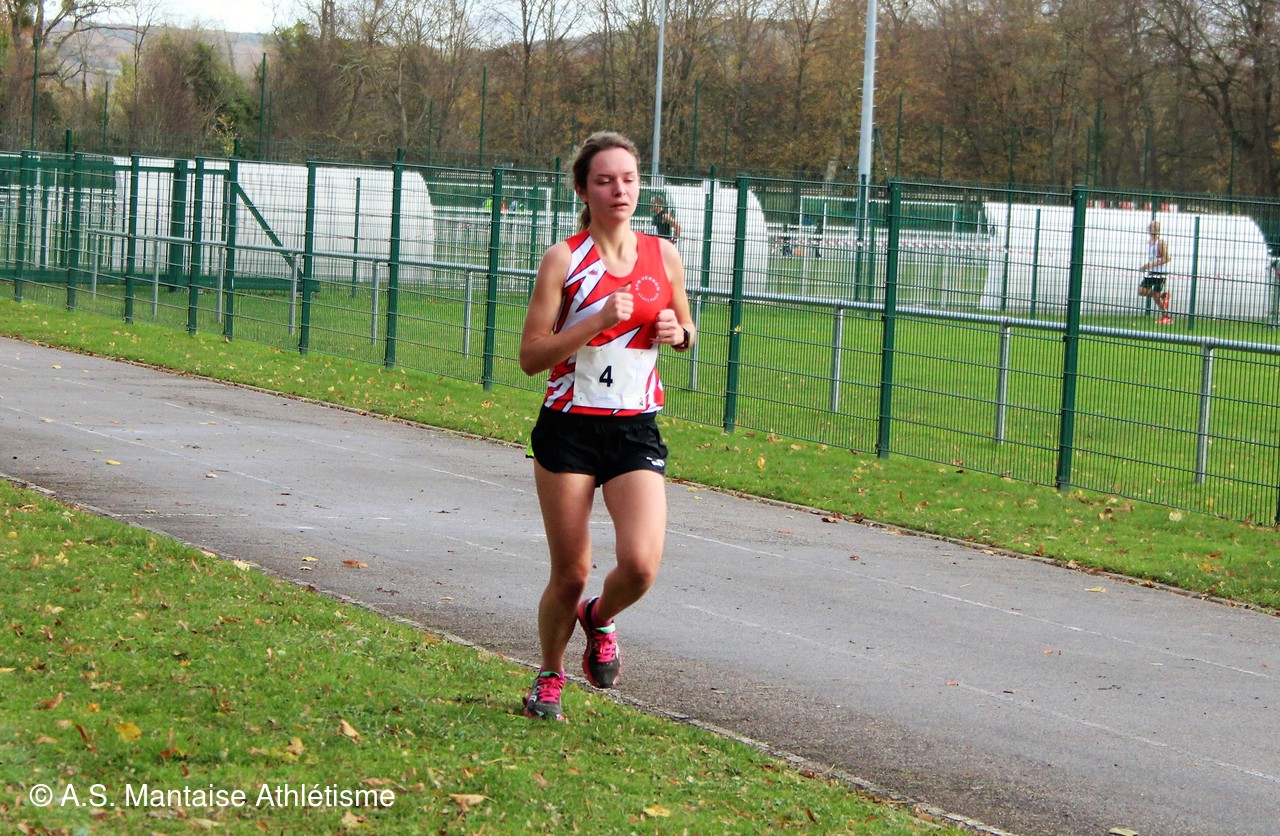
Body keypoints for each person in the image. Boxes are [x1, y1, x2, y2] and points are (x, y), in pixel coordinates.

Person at [518, 131, 695, 721]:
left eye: (628, 179)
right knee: (570, 573)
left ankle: (599, 619)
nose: (619, 190)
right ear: (583, 190)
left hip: (634, 430)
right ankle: (550, 675)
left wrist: (679, 333)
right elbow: (531, 357)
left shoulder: (663, 255)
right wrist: (592, 322)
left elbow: (686, 330)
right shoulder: (564, 259)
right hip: (569, 429)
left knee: (641, 565)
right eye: (604, 180)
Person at [1138, 220, 1172, 324]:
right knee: (1141, 291)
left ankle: (1166, 317)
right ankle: (1162, 296)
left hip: (1160, 273)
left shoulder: (1160, 243)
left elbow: (1167, 258)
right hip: (1151, 272)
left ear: (1155, 229)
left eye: (1151, 226)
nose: (1148, 228)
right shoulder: (1149, 242)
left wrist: (1150, 265)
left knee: (1156, 298)